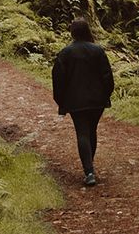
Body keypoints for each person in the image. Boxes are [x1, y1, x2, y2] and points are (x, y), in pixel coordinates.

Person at [51, 17, 114, 187]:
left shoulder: (65, 53)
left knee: (82, 133)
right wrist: (105, 95)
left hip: (75, 102)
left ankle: (89, 171)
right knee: (91, 131)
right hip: (97, 100)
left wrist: (61, 102)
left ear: (72, 32)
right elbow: (107, 76)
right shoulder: (98, 50)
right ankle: (90, 167)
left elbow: (58, 80)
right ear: (88, 30)